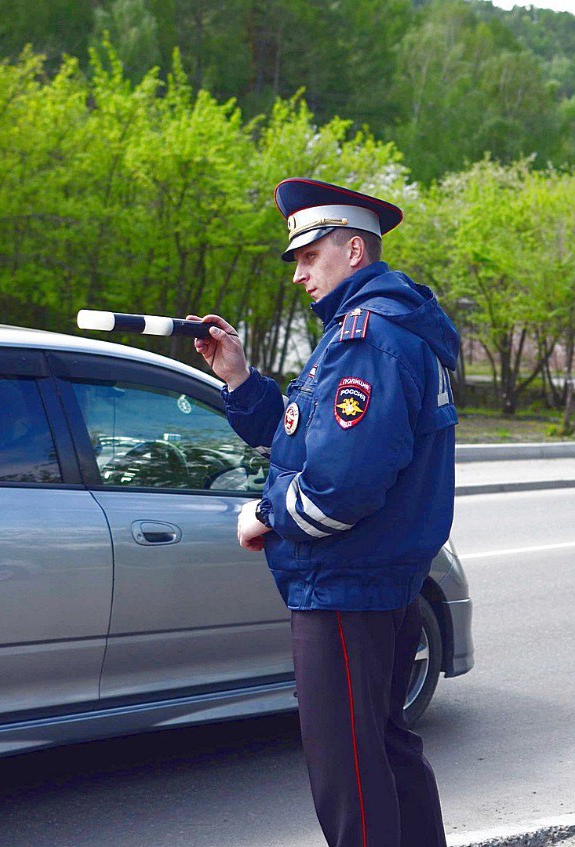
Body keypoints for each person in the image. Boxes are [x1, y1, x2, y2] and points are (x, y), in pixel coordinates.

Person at [190, 178, 459, 846]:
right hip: (374, 583)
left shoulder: (367, 338)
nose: (299, 274)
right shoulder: (369, 329)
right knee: (387, 751)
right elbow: (303, 436)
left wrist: (266, 512)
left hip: (344, 585)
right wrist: (241, 380)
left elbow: (342, 483)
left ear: (356, 251)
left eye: (311, 256)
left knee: (351, 780)